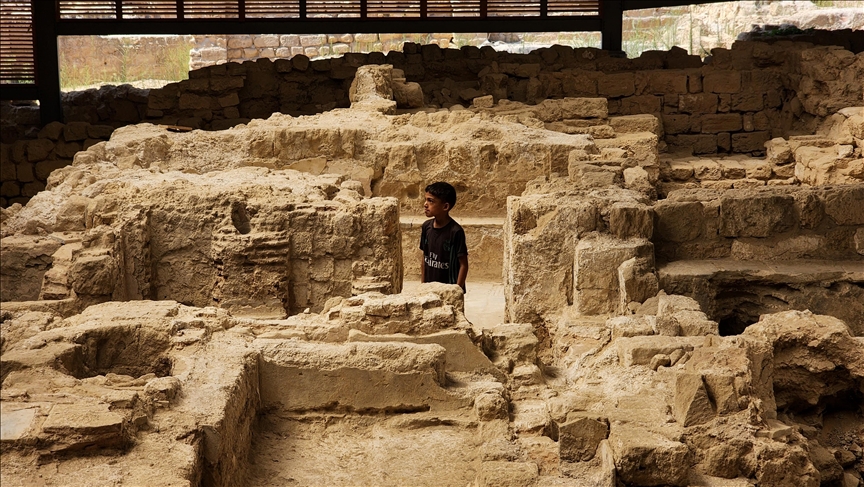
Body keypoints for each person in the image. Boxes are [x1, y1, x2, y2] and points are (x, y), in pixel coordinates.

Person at [420, 182, 469, 292]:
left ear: (445, 206)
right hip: (429, 288)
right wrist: (423, 285)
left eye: (430, 201)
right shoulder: (426, 227)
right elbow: (424, 257)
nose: (425, 204)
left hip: (448, 290)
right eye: (425, 199)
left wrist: (456, 290)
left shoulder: (456, 231)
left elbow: (463, 265)